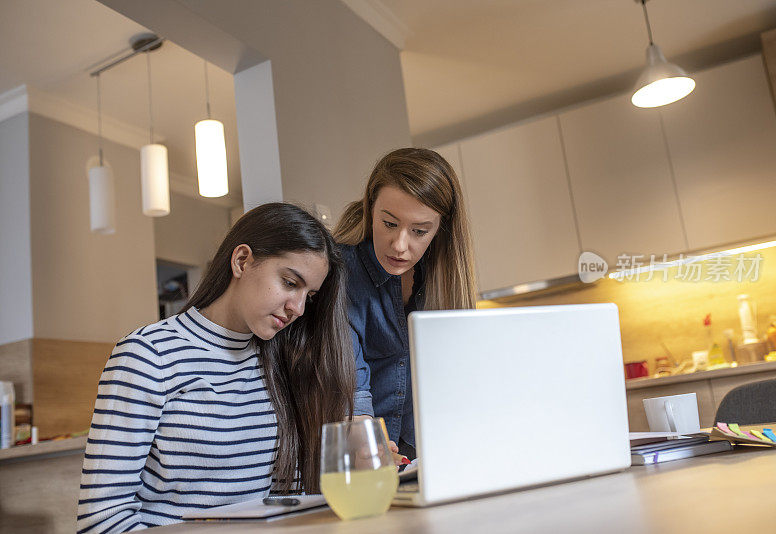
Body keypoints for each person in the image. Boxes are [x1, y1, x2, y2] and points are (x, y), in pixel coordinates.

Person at [77, 203, 354, 532]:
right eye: (290, 283)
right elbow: (101, 518)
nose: (297, 308)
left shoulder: (284, 363)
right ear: (241, 261)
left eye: (309, 296)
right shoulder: (148, 355)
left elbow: (288, 504)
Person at [334, 148, 477, 460]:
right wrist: (368, 443)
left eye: (419, 231)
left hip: (428, 453)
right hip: (363, 452)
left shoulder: (444, 278)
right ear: (370, 208)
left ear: (441, 230)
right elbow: (351, 383)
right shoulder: (341, 274)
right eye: (388, 223)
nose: (400, 245)